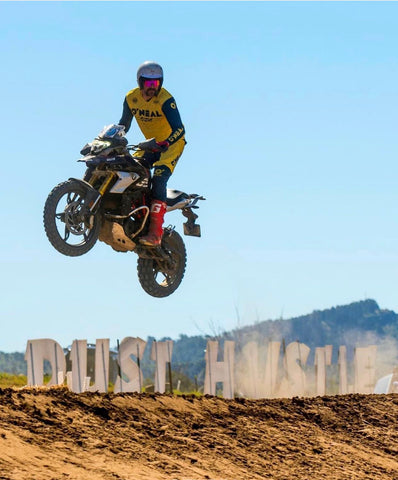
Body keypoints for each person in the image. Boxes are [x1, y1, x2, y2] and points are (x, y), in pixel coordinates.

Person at [118, 61, 186, 247]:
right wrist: (113, 137)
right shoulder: (131, 98)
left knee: (159, 178)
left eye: (156, 84)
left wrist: (167, 142)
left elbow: (180, 129)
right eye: (148, 84)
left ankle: (156, 231)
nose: (152, 88)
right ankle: (138, 213)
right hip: (150, 145)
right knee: (131, 170)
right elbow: (124, 125)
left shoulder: (166, 100)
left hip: (171, 145)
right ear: (140, 82)